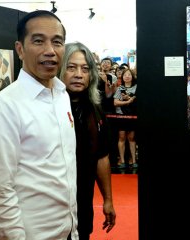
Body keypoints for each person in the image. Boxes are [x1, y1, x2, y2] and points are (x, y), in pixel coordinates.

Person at [0, 10, 79, 239]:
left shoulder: (62, 95)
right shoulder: (5, 106)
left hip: (68, 230)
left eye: (57, 42)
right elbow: (0, 188)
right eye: (38, 41)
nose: (50, 51)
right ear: (20, 49)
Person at [59, 41, 116, 239]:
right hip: (48, 210)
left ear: (91, 74)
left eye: (85, 68)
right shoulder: (46, 109)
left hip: (83, 203)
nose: (78, 74)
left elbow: (102, 157)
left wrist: (108, 199)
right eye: (71, 67)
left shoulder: (95, 111)